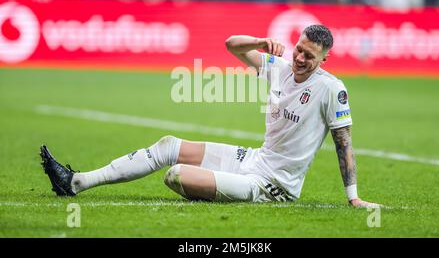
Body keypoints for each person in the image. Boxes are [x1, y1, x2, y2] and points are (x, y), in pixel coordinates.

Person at [40, 25, 380, 207]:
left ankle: (225, 188)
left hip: (273, 184)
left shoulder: (331, 89)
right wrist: (261, 42)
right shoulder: (279, 67)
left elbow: (343, 145)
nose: (301, 59)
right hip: (255, 159)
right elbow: (232, 44)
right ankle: (77, 182)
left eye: (310, 56)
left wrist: (353, 197)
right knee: (169, 144)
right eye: (299, 50)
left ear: (325, 59)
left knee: (175, 175)